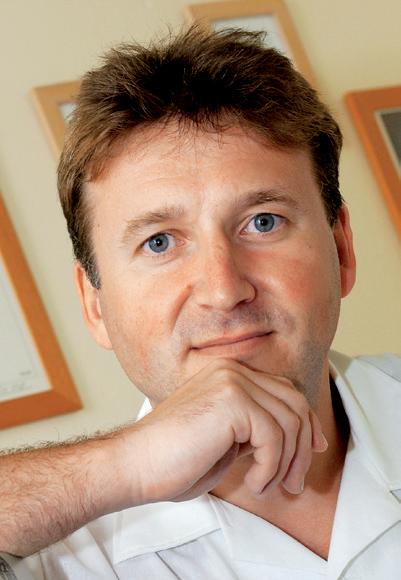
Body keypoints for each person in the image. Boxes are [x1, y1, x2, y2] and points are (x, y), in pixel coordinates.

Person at [1, 26, 400, 579]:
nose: (223, 290)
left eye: (263, 222)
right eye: (159, 242)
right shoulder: (51, 559)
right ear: (95, 305)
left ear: (341, 249)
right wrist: (120, 467)